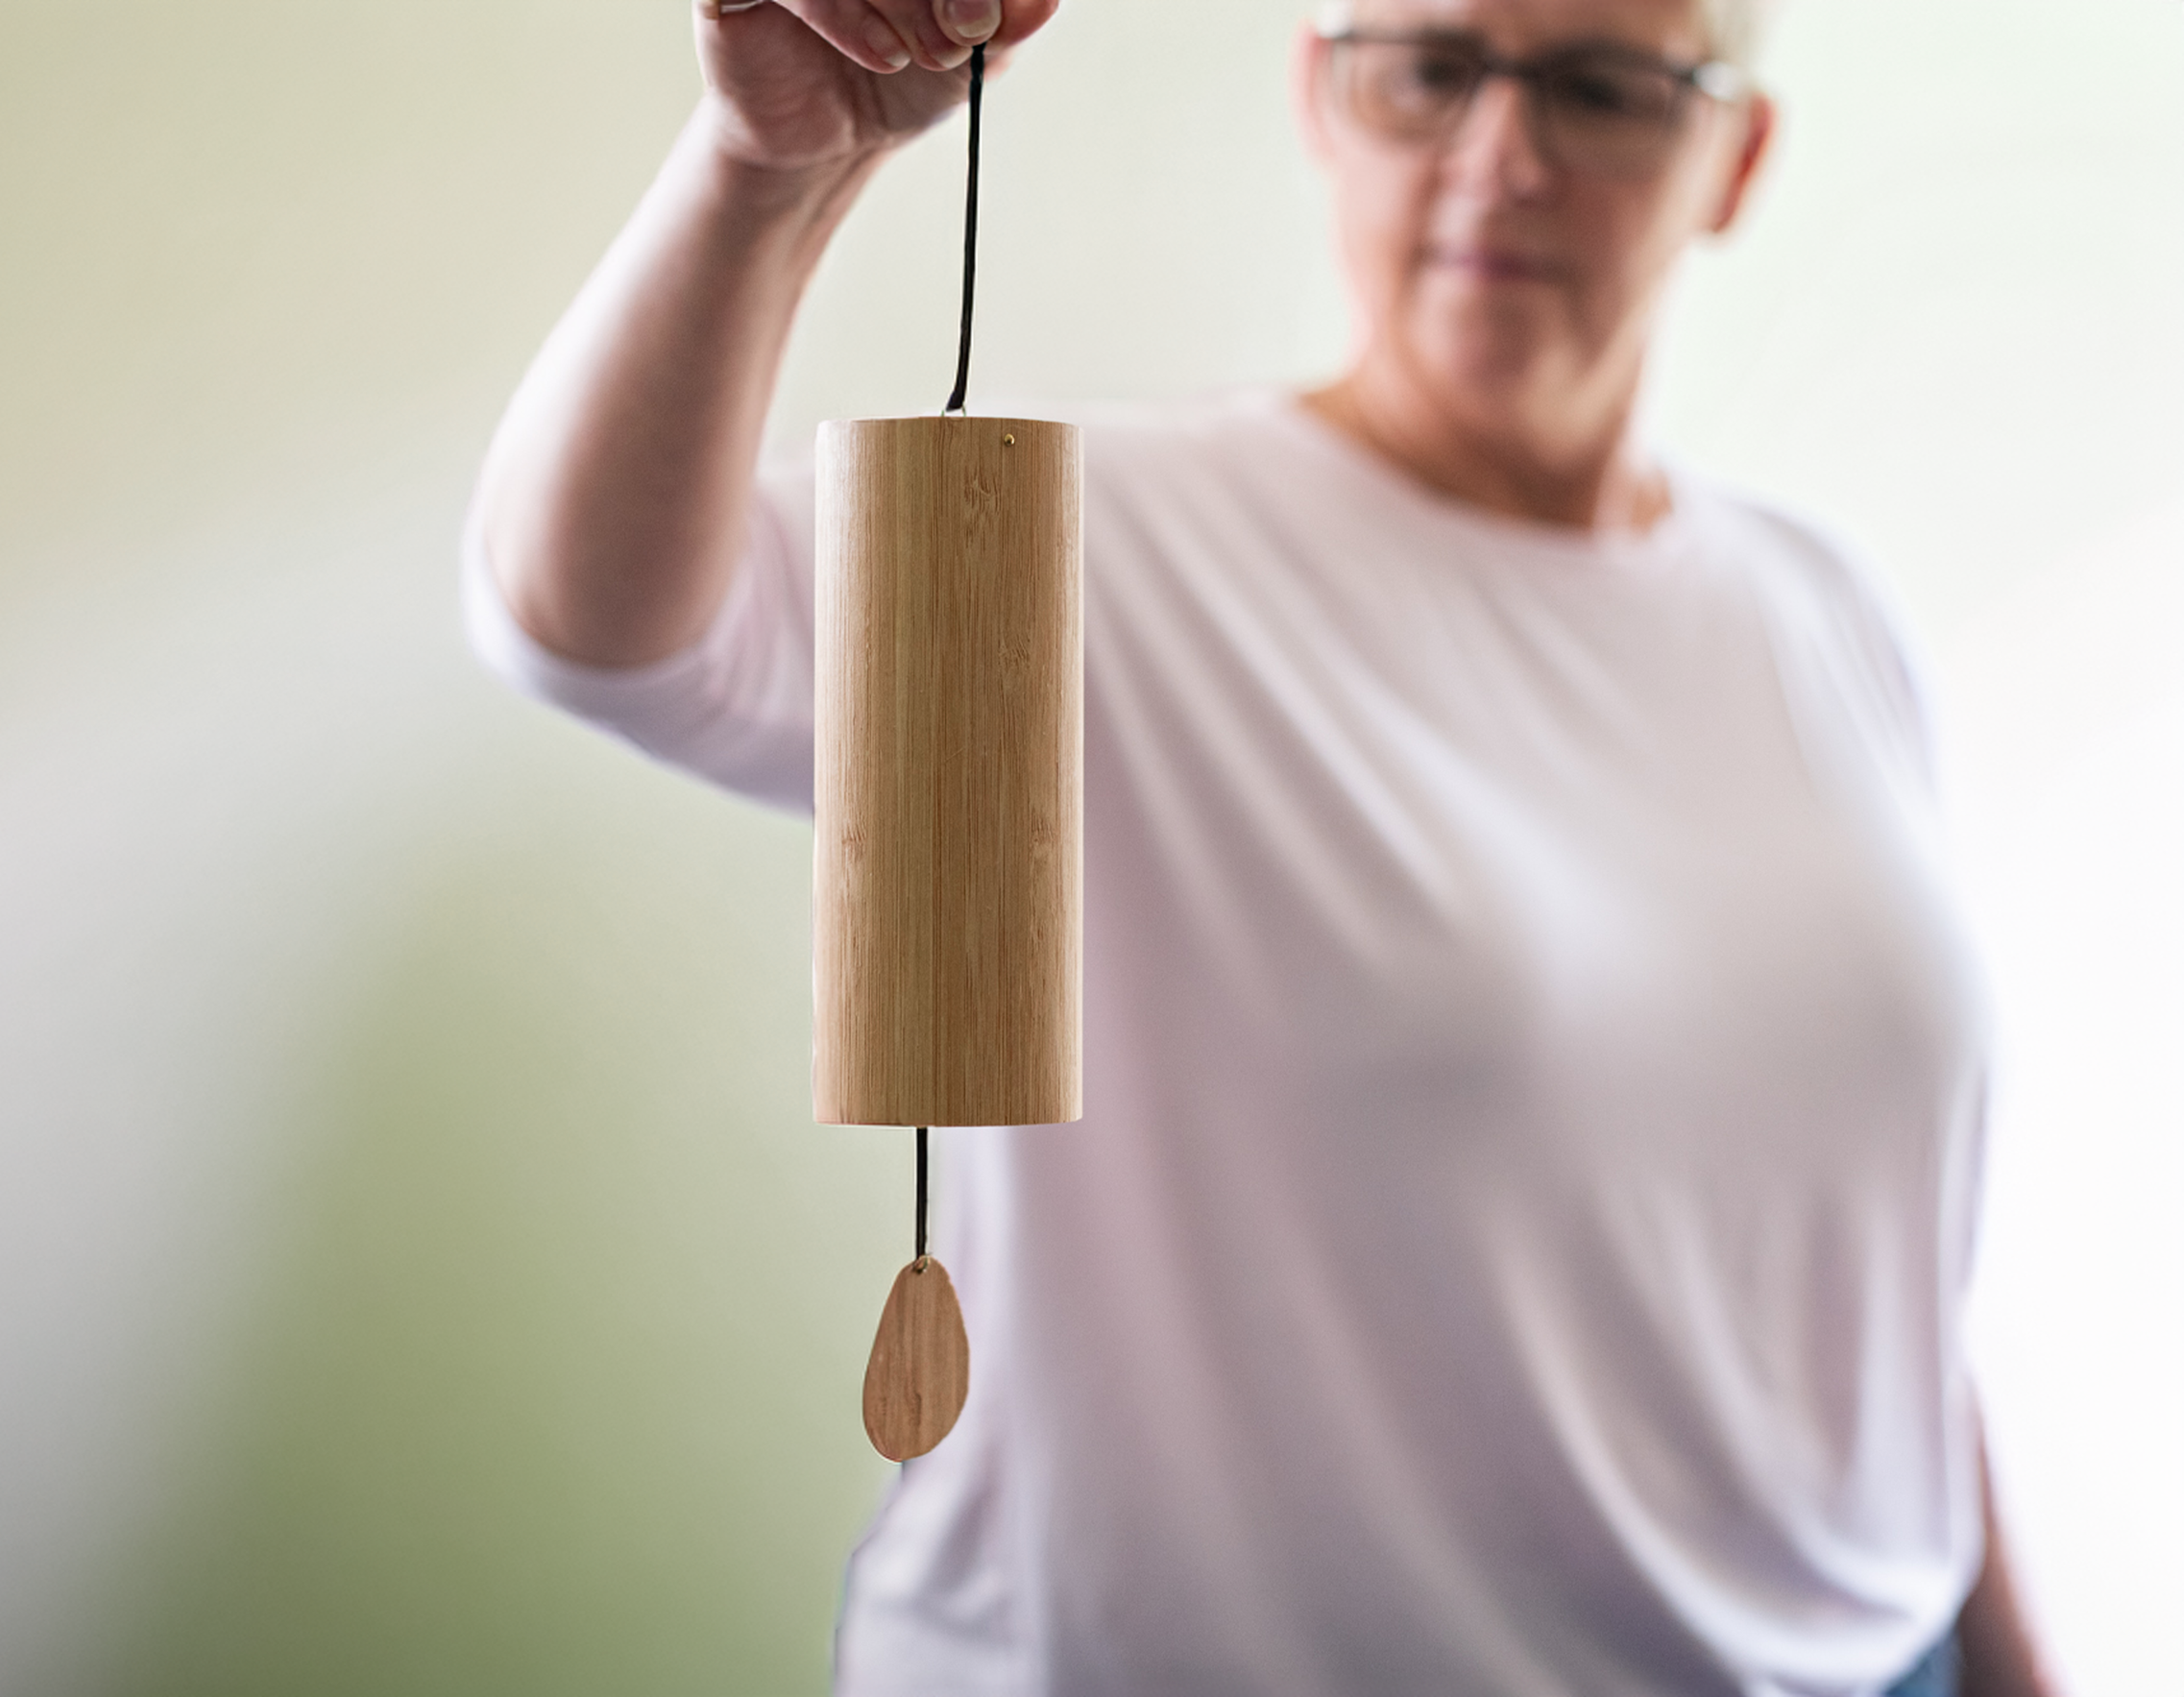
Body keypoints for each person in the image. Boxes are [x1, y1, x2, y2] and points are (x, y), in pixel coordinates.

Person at [463, 1, 2064, 1691]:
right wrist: (762, 176)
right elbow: (598, 628)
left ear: (1732, 156)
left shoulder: (1819, 606)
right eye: (1432, 67)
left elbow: (1875, 1272)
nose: (1500, 156)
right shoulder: (1092, 545)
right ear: (1324, 94)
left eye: (1601, 87)